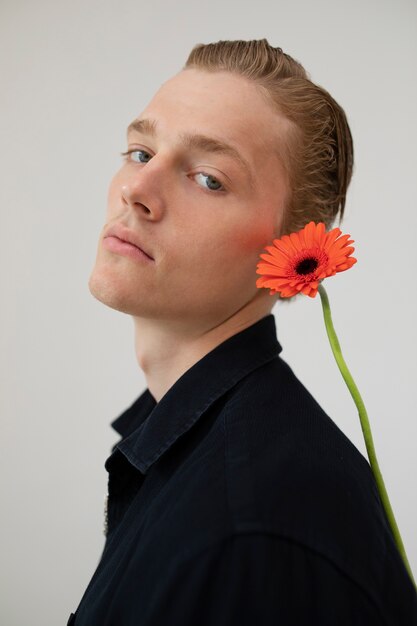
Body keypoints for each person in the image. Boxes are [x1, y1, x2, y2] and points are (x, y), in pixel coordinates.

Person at [67, 39, 417, 625]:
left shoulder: (247, 531)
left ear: (293, 247)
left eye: (207, 179)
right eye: (139, 150)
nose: (137, 190)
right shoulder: (210, 465)